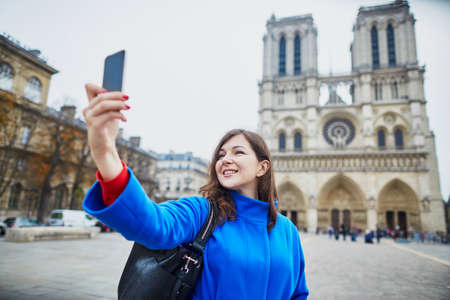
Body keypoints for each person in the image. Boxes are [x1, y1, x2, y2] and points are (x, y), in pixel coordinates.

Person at [81, 84, 309, 300]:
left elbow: (298, 293)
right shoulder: (202, 212)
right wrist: (105, 151)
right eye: (221, 155)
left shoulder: (287, 230)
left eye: (238, 152)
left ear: (262, 167)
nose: (226, 159)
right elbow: (151, 222)